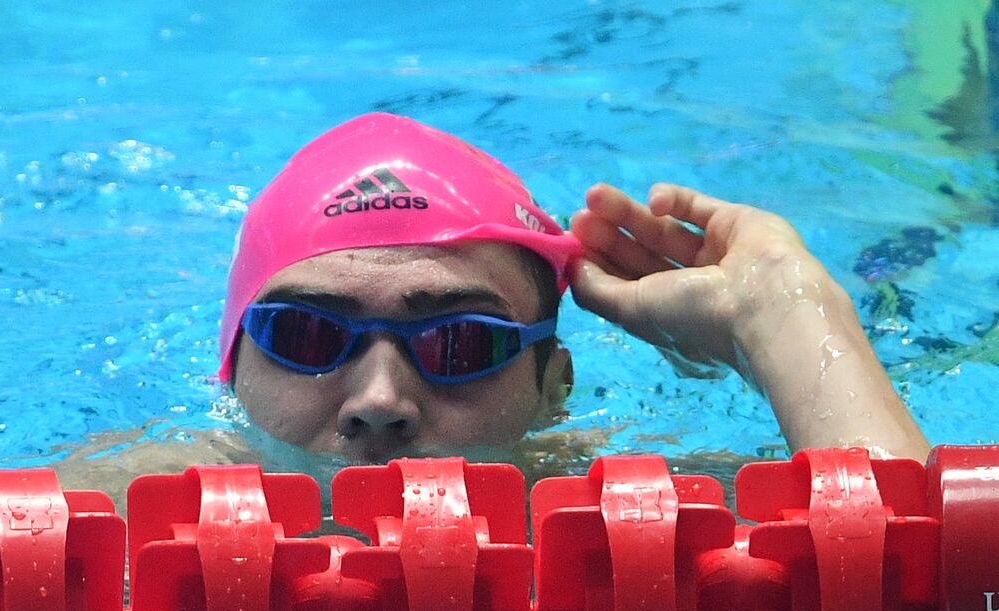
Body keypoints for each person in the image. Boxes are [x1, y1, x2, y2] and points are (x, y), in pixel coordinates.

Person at [220, 112, 931, 465]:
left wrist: (780, 313)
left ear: (553, 388)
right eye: (304, 335)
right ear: (232, 369)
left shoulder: (649, 521)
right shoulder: (124, 509)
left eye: (461, 342)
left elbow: (938, 591)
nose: (379, 403)